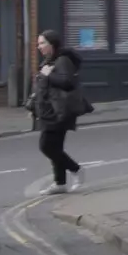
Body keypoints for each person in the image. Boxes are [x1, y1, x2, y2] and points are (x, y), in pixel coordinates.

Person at [32, 30, 86, 193]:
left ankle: (76, 169)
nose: (39, 47)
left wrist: (48, 76)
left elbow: (68, 82)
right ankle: (60, 183)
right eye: (38, 44)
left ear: (52, 44)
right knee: (55, 147)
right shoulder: (49, 60)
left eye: (42, 43)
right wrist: (33, 107)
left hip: (59, 111)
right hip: (49, 110)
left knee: (47, 147)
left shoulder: (62, 61)